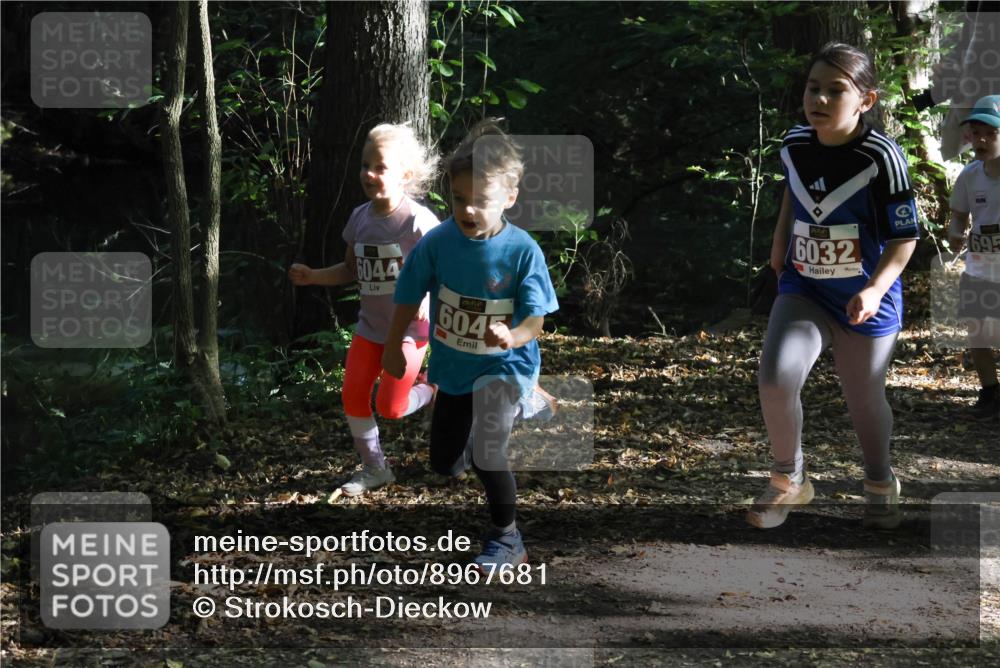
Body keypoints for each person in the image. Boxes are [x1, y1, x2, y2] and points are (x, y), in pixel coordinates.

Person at [748, 44, 919, 531]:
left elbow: (905, 237)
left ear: (866, 100)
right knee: (776, 378)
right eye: (813, 88)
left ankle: (880, 482)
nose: (819, 99)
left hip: (863, 297)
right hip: (803, 287)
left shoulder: (882, 155)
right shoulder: (795, 142)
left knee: (863, 399)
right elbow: (793, 191)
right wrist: (779, 245)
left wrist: (875, 289)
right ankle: (789, 479)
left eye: (835, 90)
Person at [381, 120, 558, 569]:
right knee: (444, 462)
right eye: (460, 199)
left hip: (506, 364)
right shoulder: (439, 242)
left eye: (481, 200)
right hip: (456, 366)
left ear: (510, 198)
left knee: (487, 453)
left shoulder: (522, 251)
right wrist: (393, 343)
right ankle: (492, 425)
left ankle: (507, 538)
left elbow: (536, 318)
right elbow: (408, 292)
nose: (469, 209)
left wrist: (513, 336)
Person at [289, 123, 440, 496]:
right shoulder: (360, 218)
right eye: (365, 165)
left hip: (410, 331)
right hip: (370, 329)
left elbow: (446, 269)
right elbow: (350, 270)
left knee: (391, 407)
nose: (369, 174)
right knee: (353, 396)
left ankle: (431, 390)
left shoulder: (418, 221)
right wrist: (313, 277)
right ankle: (375, 468)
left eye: (380, 167)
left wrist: (427, 298)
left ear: (405, 175)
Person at [947, 94, 1000, 420]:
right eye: (976, 132)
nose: (981, 140)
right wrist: (955, 234)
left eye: (990, 133)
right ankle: (989, 392)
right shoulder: (970, 175)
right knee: (978, 332)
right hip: (979, 266)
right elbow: (958, 217)